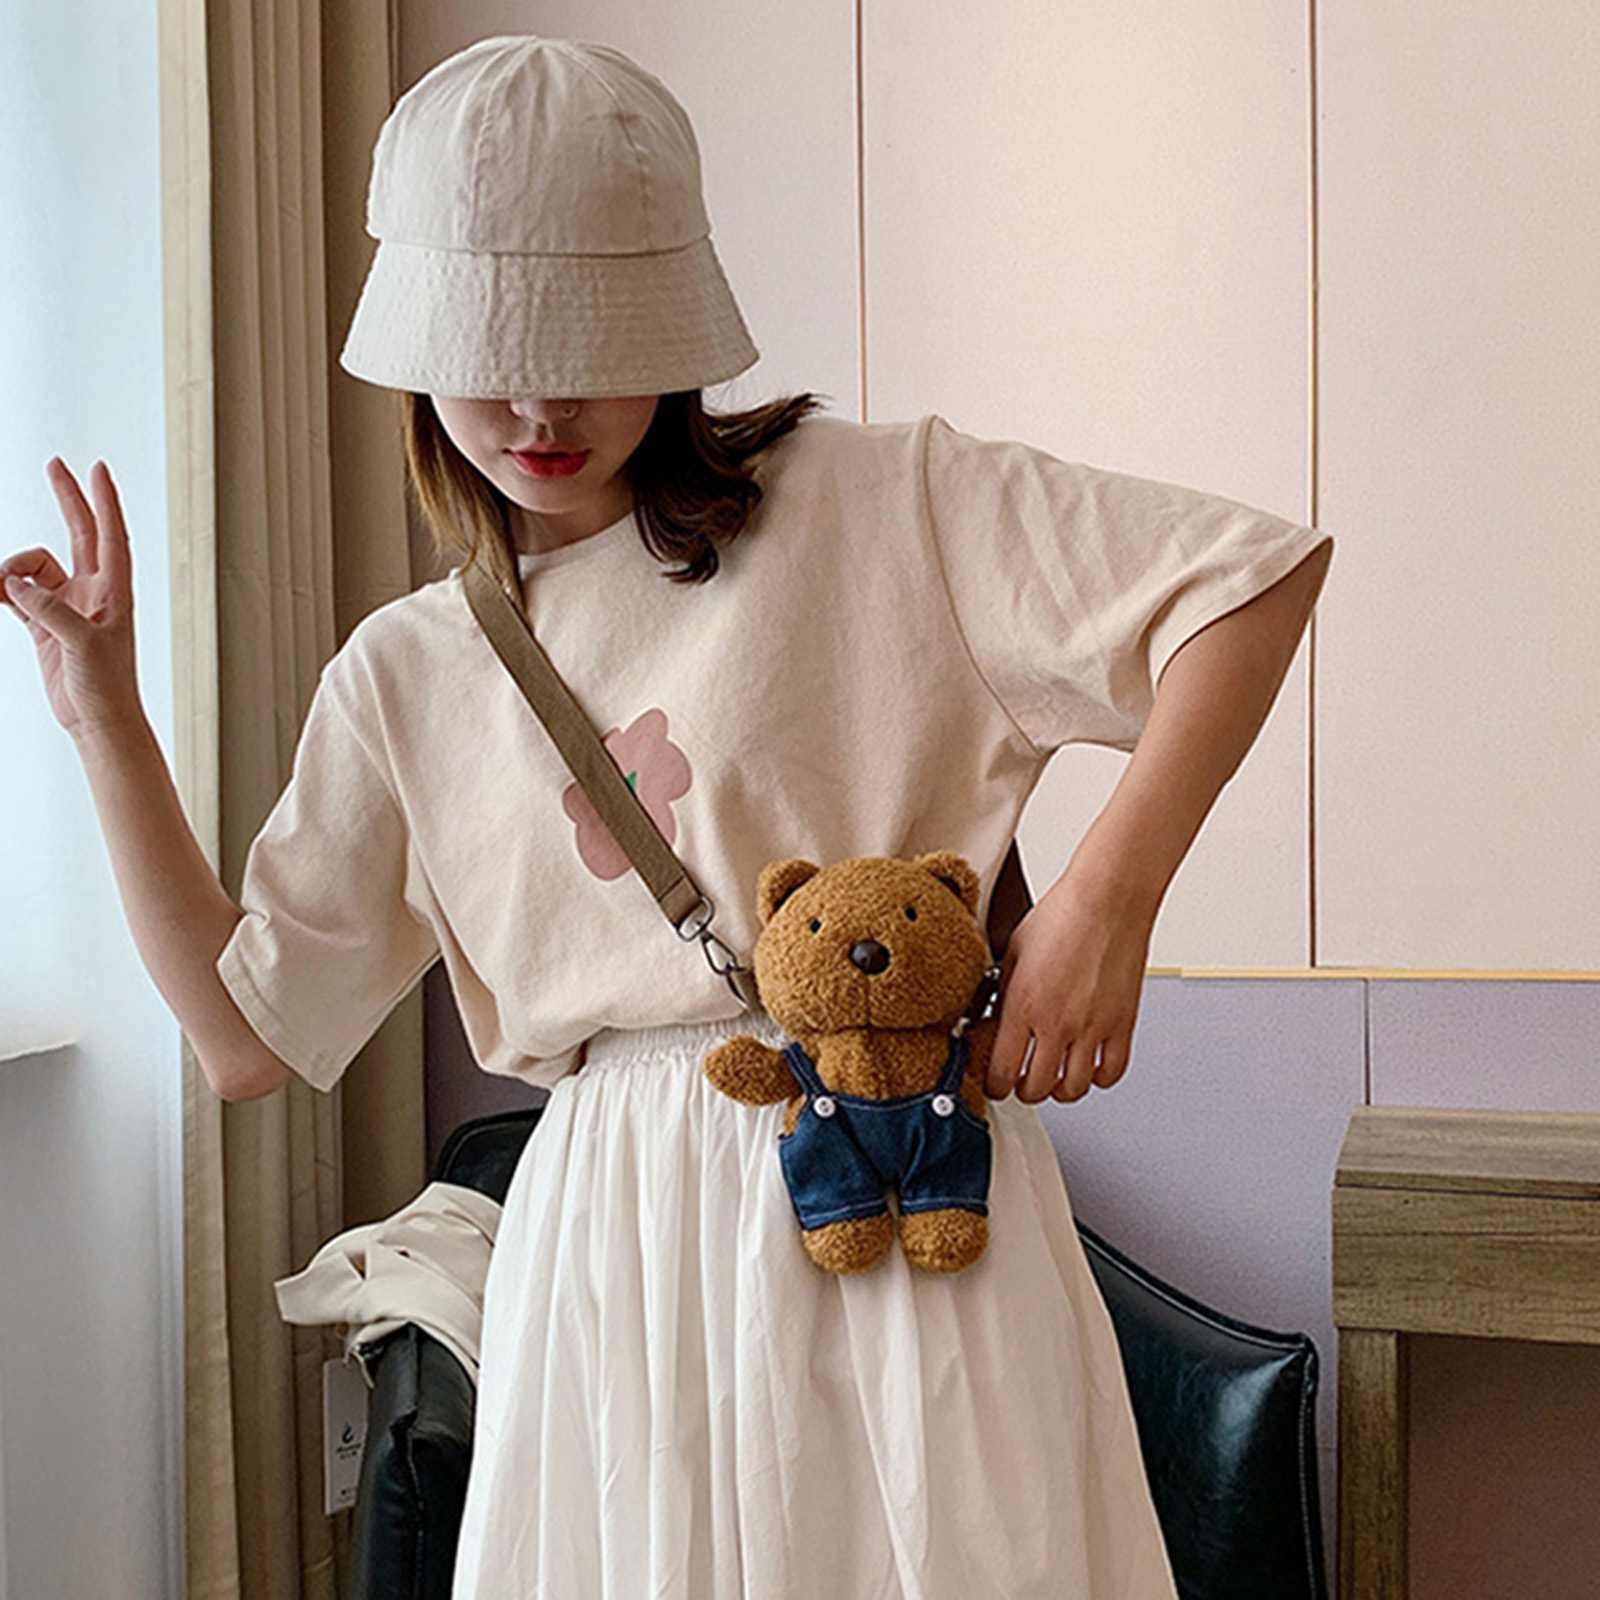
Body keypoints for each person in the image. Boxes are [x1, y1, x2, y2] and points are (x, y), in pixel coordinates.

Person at [2, 35, 1330, 1600]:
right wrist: (102, 717)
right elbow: (244, 1035)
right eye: (489, 349)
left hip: (908, 1214)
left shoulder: (880, 500)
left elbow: (1247, 583)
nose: (537, 401)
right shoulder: (406, 675)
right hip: (613, 1263)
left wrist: (1107, 902)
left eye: (588, 340)